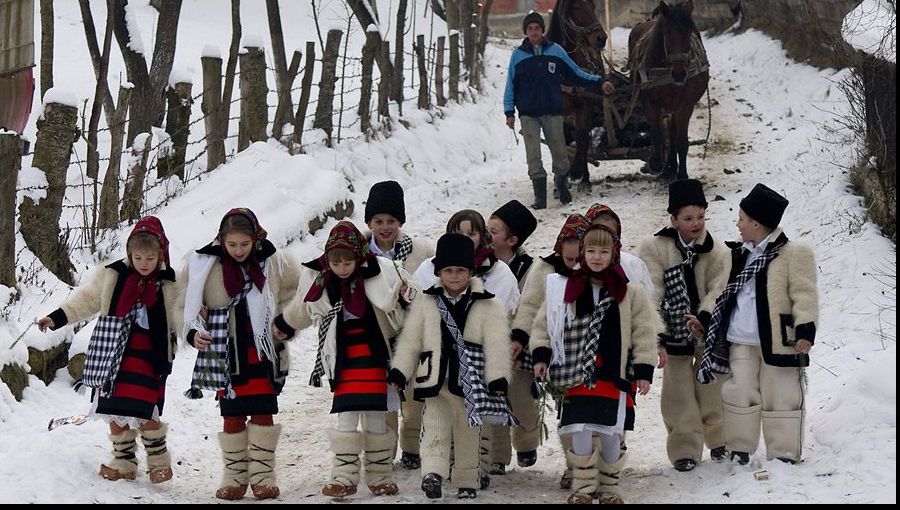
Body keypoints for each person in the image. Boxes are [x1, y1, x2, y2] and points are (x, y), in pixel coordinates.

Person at [38, 217, 178, 484]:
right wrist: (56, 318)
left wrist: (196, 330)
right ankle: (124, 462)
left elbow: (184, 312)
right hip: (113, 353)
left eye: (150, 259)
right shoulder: (114, 274)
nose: (144, 264)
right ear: (129, 254)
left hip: (150, 356)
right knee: (114, 406)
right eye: (138, 257)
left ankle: (159, 462)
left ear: (160, 255)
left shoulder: (169, 282)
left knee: (146, 408)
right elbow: (88, 298)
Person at [275, 221, 405, 497]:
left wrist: (407, 298)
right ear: (328, 261)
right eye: (337, 264)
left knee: (376, 419)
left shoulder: (379, 273)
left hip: (374, 360)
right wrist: (285, 325)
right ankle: (343, 476)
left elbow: (401, 296)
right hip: (344, 362)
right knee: (345, 418)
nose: (342, 269)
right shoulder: (320, 281)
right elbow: (303, 308)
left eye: (348, 263)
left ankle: (379, 474)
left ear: (358, 258)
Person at [530, 225, 658, 504]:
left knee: (611, 431)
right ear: (582, 254)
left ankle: (610, 487)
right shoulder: (566, 287)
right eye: (590, 251)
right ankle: (583, 487)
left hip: (614, 375)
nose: (597, 257)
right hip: (576, 374)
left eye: (603, 251)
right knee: (580, 429)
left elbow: (644, 332)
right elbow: (545, 325)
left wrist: (644, 369)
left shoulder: (630, 292)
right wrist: (541, 355)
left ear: (614, 254)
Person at [693, 183, 818, 465]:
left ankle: (784, 451)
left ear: (757, 223)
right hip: (741, 339)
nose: (737, 224)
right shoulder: (736, 254)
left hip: (778, 340)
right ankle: (739, 447)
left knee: (781, 393)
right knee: (739, 392)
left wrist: (805, 329)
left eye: (742, 219)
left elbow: (804, 293)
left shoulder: (792, 254)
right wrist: (705, 317)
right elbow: (719, 292)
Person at [182, 208, 299, 500]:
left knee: (262, 410)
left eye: (244, 245)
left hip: (261, 349)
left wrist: (285, 323)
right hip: (226, 351)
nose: (237, 250)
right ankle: (234, 477)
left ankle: (262, 476)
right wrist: (193, 331)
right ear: (221, 240)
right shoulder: (205, 266)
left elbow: (294, 294)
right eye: (231, 244)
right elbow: (183, 304)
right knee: (232, 415)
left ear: (255, 240)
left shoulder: (273, 263)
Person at [389, 233, 512, 499]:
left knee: (469, 432)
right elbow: (412, 338)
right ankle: (432, 474)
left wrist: (498, 378)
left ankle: (467, 478)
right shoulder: (426, 301)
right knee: (433, 427)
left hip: (471, 384)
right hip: (435, 379)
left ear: (471, 271)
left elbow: (497, 345)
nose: (454, 276)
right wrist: (401, 369)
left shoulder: (489, 304)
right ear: (438, 272)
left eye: (460, 270)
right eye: (448, 270)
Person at [636, 179, 729, 471]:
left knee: (713, 385)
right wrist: (658, 334)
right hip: (673, 332)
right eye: (688, 218)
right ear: (673, 219)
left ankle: (719, 438)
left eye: (701, 217)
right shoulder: (654, 248)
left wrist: (704, 317)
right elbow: (651, 291)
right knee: (678, 393)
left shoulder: (718, 251)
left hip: (706, 330)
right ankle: (685, 447)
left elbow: (719, 288)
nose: (696, 223)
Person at [510, 213, 591, 489]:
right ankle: (574, 464)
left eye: (580, 259)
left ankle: (596, 462)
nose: (575, 265)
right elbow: (530, 305)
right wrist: (520, 337)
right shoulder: (546, 269)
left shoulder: (599, 273)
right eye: (570, 260)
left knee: (591, 411)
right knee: (567, 411)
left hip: (590, 351)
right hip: (557, 353)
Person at [503, 11, 615, 209]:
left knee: (560, 153)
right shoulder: (518, 56)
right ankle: (540, 197)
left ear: (542, 30)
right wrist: (509, 111)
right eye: (530, 29)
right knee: (533, 157)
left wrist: (599, 81)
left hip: (553, 112)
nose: (534, 32)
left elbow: (576, 73)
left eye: (537, 28)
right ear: (526, 32)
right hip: (529, 114)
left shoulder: (556, 51)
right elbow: (510, 84)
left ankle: (562, 186)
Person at [362, 180, 435, 471]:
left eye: (391, 220)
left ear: (400, 221)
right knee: (385, 396)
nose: (385, 227)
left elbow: (435, 282)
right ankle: (384, 450)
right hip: (377, 332)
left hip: (413, 332)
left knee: (415, 395)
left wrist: (413, 293)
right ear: (369, 222)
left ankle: (412, 446)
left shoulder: (421, 250)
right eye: (378, 221)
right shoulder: (359, 252)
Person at [484, 200, 540, 474]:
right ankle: (497, 456)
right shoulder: (483, 266)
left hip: (521, 346)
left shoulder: (529, 269)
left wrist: (520, 340)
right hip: (491, 344)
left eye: (493, 231)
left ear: (512, 240)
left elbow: (530, 306)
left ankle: (526, 441)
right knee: (494, 398)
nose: (486, 236)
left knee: (521, 398)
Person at [585, 203, 655, 298]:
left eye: (612, 234)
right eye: (599, 232)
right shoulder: (574, 274)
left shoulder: (635, 266)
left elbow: (649, 304)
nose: (606, 239)